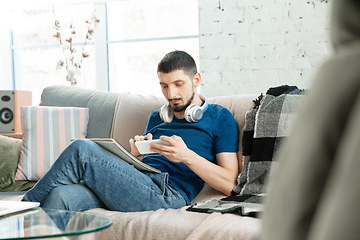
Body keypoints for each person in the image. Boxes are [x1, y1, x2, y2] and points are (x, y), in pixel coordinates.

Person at [23, 50, 239, 212]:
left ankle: (19, 211)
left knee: (82, 149)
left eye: (178, 84)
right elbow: (143, 167)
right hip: (138, 181)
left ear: (196, 80)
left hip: (168, 193)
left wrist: (187, 156)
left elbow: (230, 185)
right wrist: (137, 155)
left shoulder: (220, 117)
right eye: (164, 86)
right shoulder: (157, 116)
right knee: (61, 196)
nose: (171, 93)